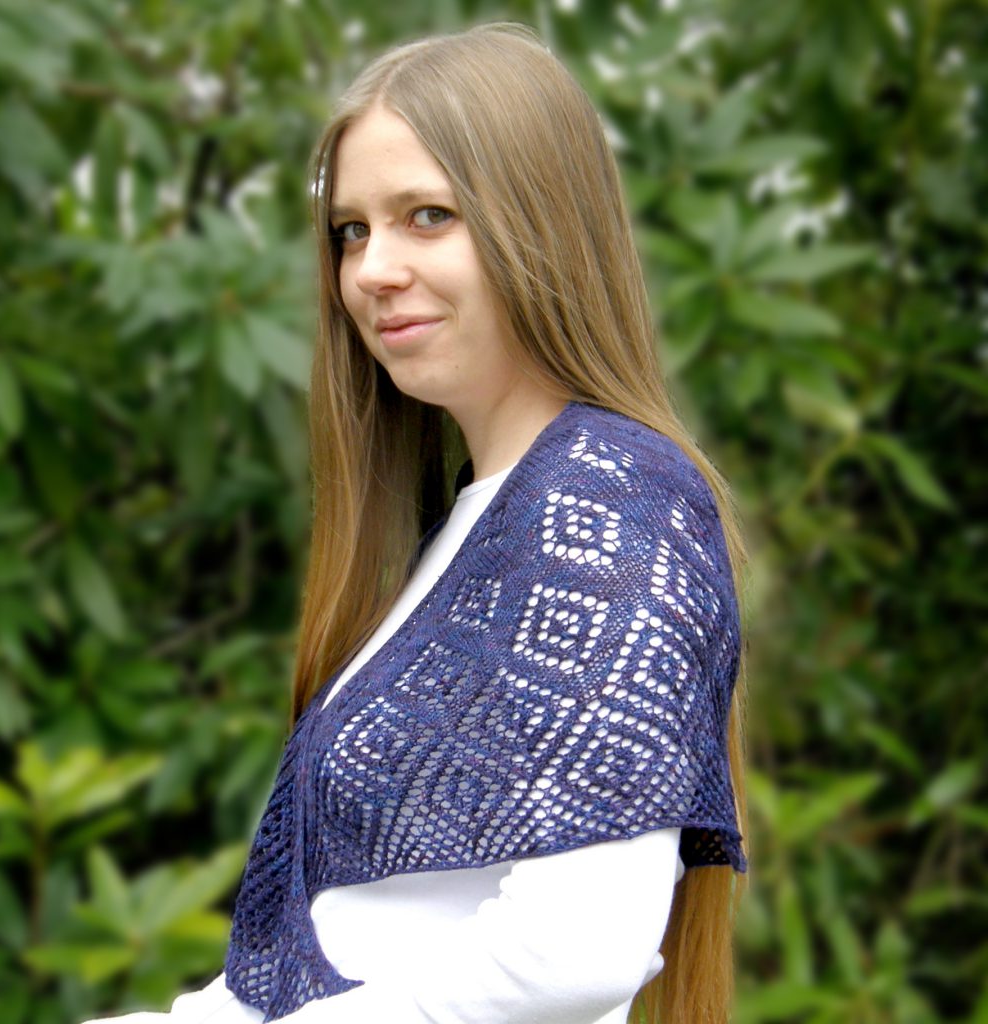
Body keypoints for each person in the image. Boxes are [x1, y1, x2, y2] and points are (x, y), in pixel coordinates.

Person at [83, 21, 748, 1024]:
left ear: (542, 224)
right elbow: (364, 939)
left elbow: (578, 946)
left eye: (425, 216)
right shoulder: (470, 528)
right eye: (352, 230)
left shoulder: (605, 498)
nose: (370, 270)